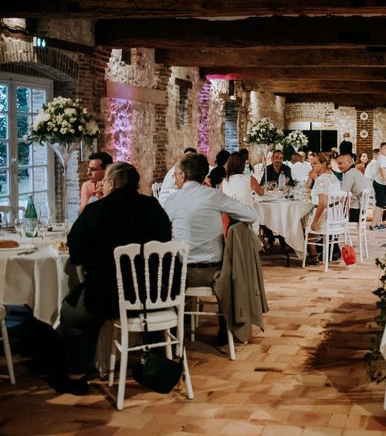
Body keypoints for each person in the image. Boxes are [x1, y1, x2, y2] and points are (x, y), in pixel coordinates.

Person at [59, 162, 172, 395]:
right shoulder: (153, 206)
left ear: (111, 183)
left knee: (71, 314)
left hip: (107, 297)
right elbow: (166, 241)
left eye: (105, 181)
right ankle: (156, 360)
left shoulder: (95, 211)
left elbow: (77, 256)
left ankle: (77, 375)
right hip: (154, 294)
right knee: (134, 292)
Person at [163, 153, 258, 289]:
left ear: (183, 176)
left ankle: (182, 308)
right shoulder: (215, 196)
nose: (174, 180)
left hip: (181, 274)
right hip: (215, 272)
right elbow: (251, 215)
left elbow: (164, 231)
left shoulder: (172, 200)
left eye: (176, 175)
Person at [306, 152, 342, 265]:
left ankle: (314, 257)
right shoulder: (332, 176)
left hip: (326, 215)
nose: (312, 166)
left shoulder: (321, 180)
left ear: (323, 164)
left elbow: (322, 203)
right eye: (311, 164)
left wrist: (315, 222)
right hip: (336, 215)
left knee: (306, 231)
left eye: (315, 163)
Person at [221, 152, 264, 233]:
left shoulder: (224, 182)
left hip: (229, 221)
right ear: (243, 165)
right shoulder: (249, 179)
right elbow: (261, 193)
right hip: (247, 219)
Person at [337, 153, 369, 222]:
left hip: (354, 212)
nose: (338, 167)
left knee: (329, 211)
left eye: (340, 164)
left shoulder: (349, 174)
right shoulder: (355, 171)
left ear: (348, 163)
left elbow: (343, 195)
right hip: (361, 210)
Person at [370, 142, 386, 231]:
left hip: (381, 183)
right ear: (381, 149)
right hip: (380, 184)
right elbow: (382, 171)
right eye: (385, 148)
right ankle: (373, 225)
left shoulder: (384, 158)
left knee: (381, 205)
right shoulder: (382, 158)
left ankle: (378, 224)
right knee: (379, 205)